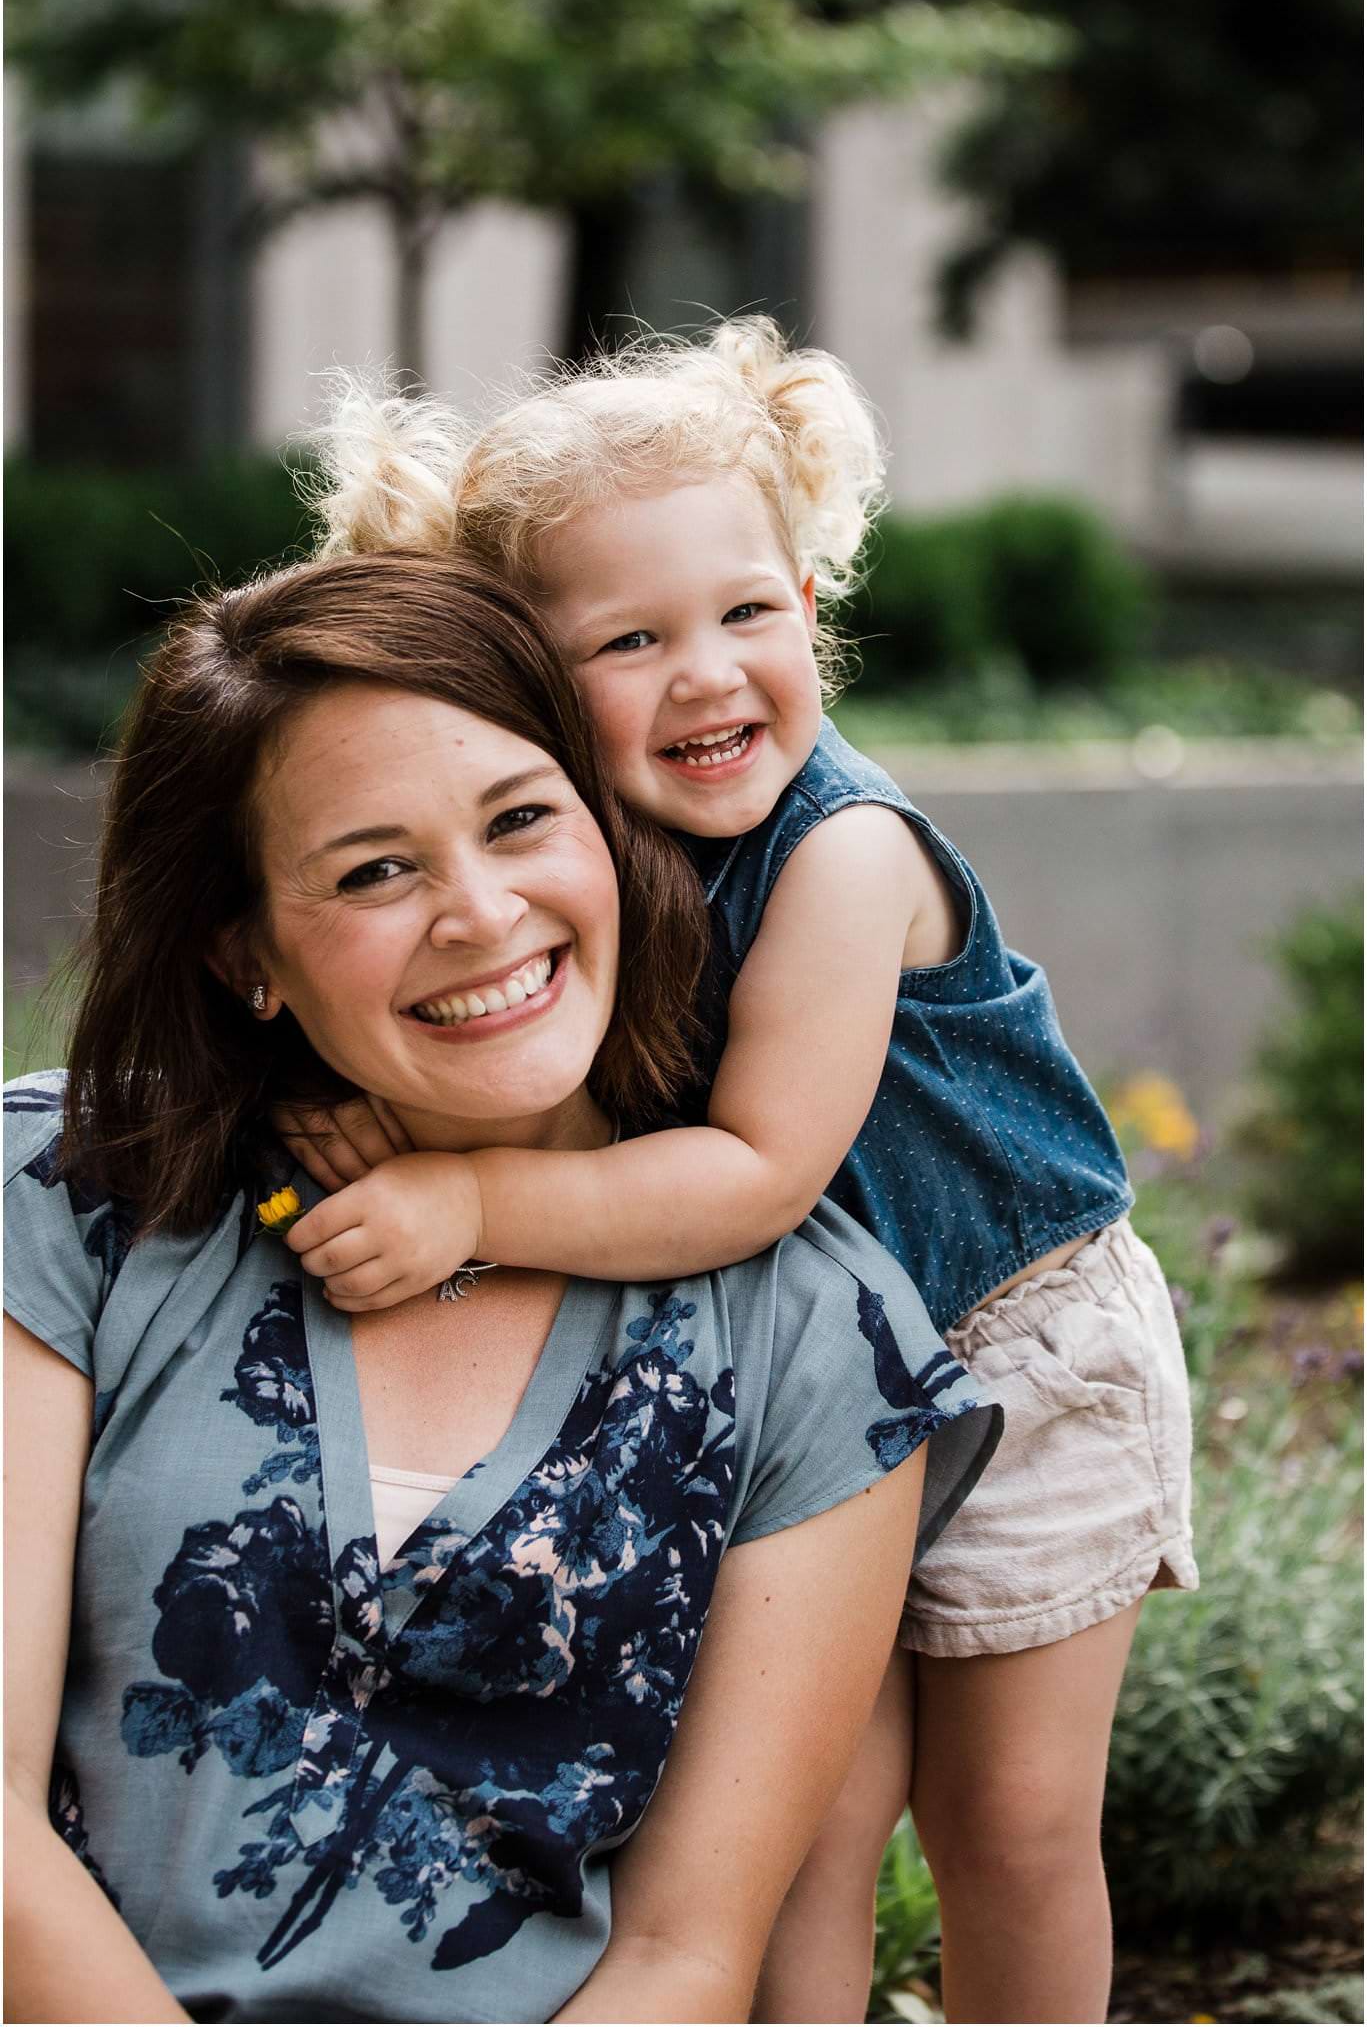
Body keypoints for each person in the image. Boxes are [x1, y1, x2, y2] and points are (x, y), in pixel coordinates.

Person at [279, 317, 1199, 2024]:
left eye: (747, 613)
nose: (707, 672)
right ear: (531, 686)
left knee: (1004, 1819)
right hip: (803, 1395)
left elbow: (762, 1167)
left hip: (1020, 1343)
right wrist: (396, 1129)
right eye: (631, 639)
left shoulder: (843, 853)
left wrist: (467, 1205)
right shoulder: (579, 849)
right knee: (800, 1817)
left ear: (812, 605)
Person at [3, 552, 999, 2027]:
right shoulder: (78, 1197)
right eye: (373, 870)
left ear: (608, 833)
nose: (479, 913)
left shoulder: (814, 1344)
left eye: (523, 820)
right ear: (246, 953)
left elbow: (686, 1958)